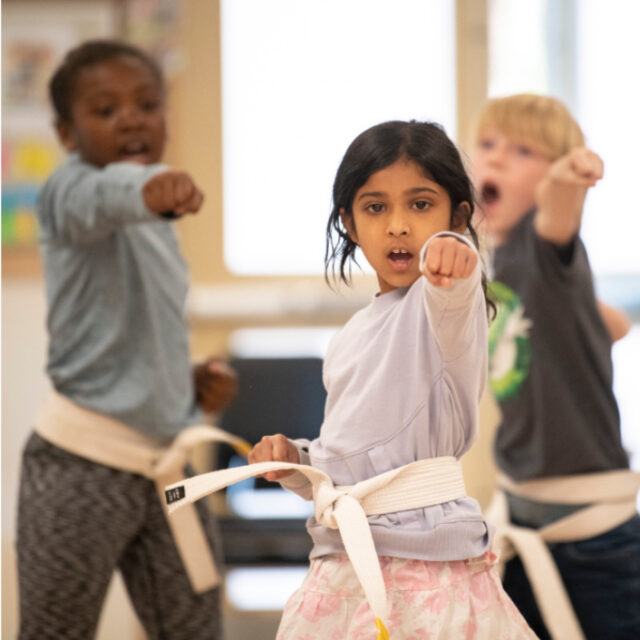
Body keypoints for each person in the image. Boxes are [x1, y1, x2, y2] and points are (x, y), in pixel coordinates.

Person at [243, 120, 537, 638]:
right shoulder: (349, 337)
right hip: (342, 564)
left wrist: (454, 255)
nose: (398, 225)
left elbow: (456, 282)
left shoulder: (445, 304)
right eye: (375, 207)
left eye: (421, 205)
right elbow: (350, 457)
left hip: (425, 574)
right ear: (349, 223)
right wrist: (296, 463)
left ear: (458, 215)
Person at [17, 39, 237, 640]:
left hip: (168, 466)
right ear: (67, 134)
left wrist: (185, 386)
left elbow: (138, 329)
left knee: (197, 628)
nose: (132, 118)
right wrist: (147, 188)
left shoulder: (159, 228)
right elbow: (106, 194)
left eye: (146, 103)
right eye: (106, 110)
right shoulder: (68, 191)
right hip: (78, 471)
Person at [471, 93, 640, 639]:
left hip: (591, 531)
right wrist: (593, 323)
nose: (495, 159)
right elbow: (613, 323)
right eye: (488, 145)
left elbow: (556, 211)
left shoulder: (539, 243)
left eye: (523, 150)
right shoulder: (496, 256)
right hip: (522, 512)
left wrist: (568, 178)